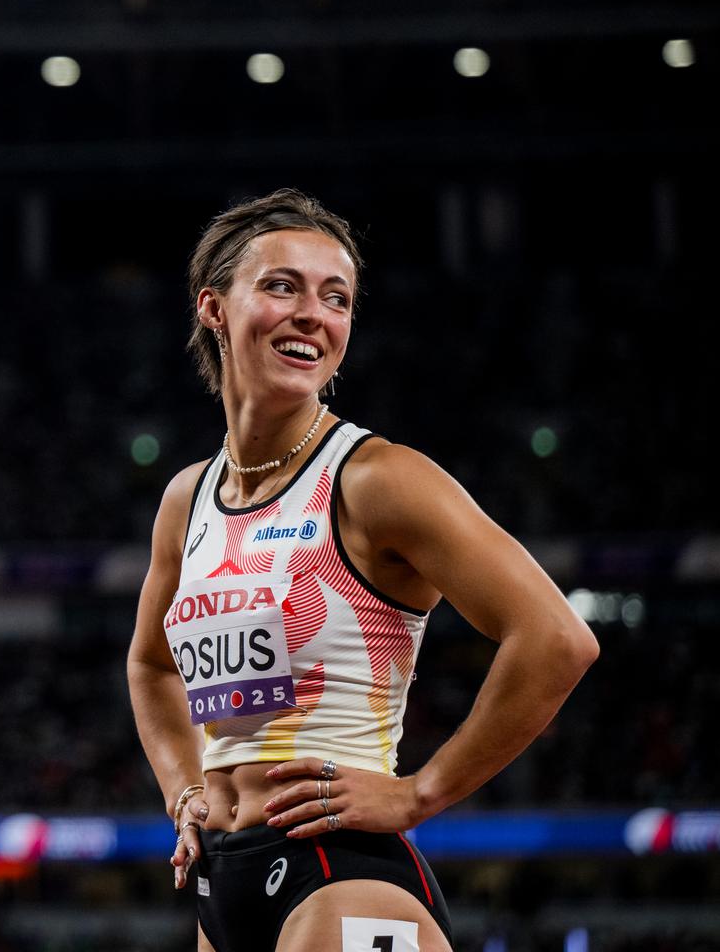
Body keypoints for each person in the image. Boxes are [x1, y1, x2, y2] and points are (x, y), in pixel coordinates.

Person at [125, 189, 598, 952]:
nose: (314, 312)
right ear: (214, 307)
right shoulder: (188, 499)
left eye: (336, 296)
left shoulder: (376, 479)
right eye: (282, 285)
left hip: (338, 874)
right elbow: (151, 665)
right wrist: (185, 788)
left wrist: (421, 792)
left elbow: (556, 638)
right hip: (225, 878)